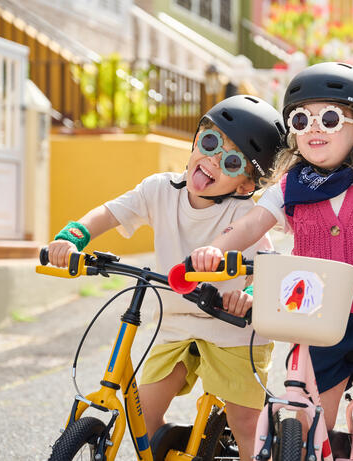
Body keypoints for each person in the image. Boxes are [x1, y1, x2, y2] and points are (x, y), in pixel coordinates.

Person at [190, 63, 353, 460]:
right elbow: (251, 225)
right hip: (319, 321)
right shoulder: (291, 185)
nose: (313, 128)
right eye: (301, 119)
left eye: (329, 118)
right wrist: (217, 249)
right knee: (307, 425)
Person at [46, 95, 286, 461]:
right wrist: (73, 236)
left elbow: (264, 265)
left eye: (232, 162)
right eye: (209, 143)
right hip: (174, 324)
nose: (213, 161)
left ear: (243, 186)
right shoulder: (159, 190)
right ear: (196, 140)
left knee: (245, 423)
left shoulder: (245, 215)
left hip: (230, 329)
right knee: (143, 409)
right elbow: (110, 214)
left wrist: (249, 294)